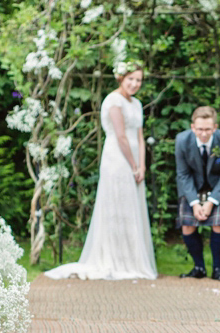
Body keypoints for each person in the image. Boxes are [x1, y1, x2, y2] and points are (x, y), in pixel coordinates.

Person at [44, 64, 158, 281]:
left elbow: (140, 137)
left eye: (139, 80)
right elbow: (121, 136)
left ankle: (132, 259)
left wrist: (142, 166)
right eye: (131, 79)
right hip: (118, 159)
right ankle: (113, 258)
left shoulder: (137, 103)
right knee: (117, 205)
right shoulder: (113, 101)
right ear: (121, 78)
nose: (135, 84)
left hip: (135, 160)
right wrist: (133, 165)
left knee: (131, 207)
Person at [175, 105, 220, 281]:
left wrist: (211, 201)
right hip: (193, 188)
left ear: (215, 127)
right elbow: (183, 174)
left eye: (207, 129)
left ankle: (217, 270)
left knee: (218, 223)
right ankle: (198, 267)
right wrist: (194, 203)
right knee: (187, 225)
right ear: (192, 127)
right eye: (199, 129)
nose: (203, 133)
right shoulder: (182, 141)